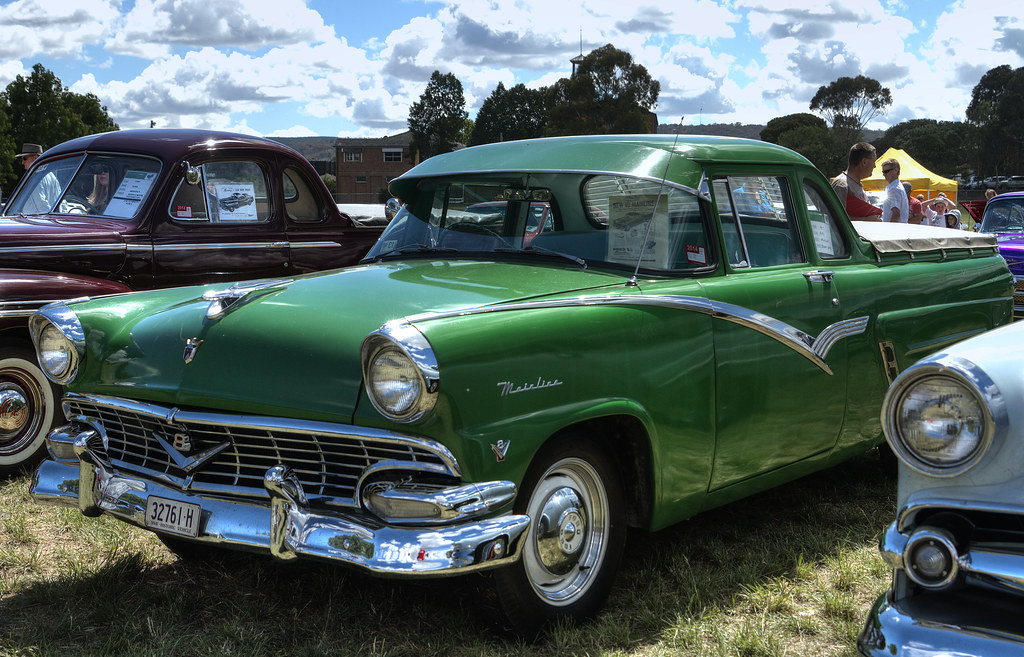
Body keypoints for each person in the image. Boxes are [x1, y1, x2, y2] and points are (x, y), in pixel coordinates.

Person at [831, 142, 883, 220]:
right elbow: (835, 218)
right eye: (873, 161)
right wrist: (867, 220)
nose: (875, 166)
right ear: (864, 162)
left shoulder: (857, 183)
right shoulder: (841, 185)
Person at [15, 143, 60, 214]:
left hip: (37, 221)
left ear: (36, 158)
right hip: (50, 220)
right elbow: (61, 202)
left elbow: (41, 205)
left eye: (25, 158)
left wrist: (48, 218)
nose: (22, 162)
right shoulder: (52, 176)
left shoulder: (34, 177)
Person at [880, 158, 908, 223]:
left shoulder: (894, 189)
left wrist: (890, 231)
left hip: (894, 230)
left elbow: (896, 214)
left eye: (886, 171)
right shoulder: (896, 186)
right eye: (883, 172)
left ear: (896, 170)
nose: (884, 174)